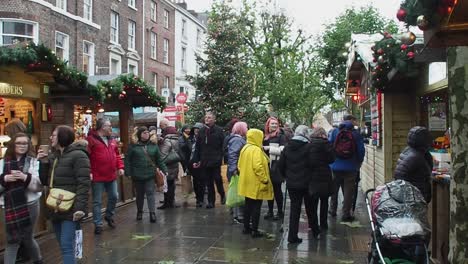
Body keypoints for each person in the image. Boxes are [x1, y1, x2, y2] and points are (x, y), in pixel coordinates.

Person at [38, 125, 90, 264]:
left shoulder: (79, 155)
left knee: (66, 245)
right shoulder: (54, 156)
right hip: (55, 206)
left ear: (62, 137)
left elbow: (84, 183)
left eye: (54, 135)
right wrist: (43, 162)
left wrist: (79, 208)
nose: (50, 138)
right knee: (63, 245)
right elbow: (44, 181)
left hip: (71, 208)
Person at [0, 133, 43, 264]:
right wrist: (4, 179)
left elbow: (39, 187)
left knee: (27, 237)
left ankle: (38, 260)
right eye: (19, 143)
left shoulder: (33, 162)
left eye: (25, 143)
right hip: (7, 206)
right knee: (12, 240)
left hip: (30, 204)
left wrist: (25, 178)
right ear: (13, 144)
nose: (22, 146)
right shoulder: (2, 163)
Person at [87, 118, 124, 234]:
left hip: (111, 175)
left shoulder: (112, 140)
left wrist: (120, 167)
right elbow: (86, 157)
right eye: (109, 126)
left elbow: (117, 155)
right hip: (97, 176)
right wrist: (89, 171)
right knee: (97, 201)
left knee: (114, 196)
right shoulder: (90, 140)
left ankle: (109, 215)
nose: (111, 128)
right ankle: (98, 224)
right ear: (102, 127)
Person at [277, 125, 313, 243]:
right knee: (310, 207)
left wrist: (286, 176)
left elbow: (280, 165)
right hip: (307, 182)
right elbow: (313, 164)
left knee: (295, 209)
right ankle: (315, 230)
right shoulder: (309, 147)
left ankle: (292, 236)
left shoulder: (287, 147)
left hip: (292, 183)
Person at [125, 126, 167, 222]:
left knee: (150, 193)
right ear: (140, 135)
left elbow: (159, 160)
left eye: (147, 132)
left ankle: (152, 213)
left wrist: (164, 169)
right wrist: (128, 172)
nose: (146, 134)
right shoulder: (133, 146)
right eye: (144, 133)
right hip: (137, 175)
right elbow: (127, 160)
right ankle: (140, 211)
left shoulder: (153, 145)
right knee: (139, 195)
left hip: (150, 174)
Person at [328, 114, 365, 222]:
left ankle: (332, 210)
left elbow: (329, 147)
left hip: (335, 166)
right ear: (351, 121)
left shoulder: (334, 132)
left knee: (334, 189)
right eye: (354, 120)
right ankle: (346, 213)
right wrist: (359, 162)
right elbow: (361, 150)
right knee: (349, 191)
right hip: (351, 167)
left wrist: (330, 162)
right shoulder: (356, 134)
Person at [238, 129, 273, 238]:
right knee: (256, 207)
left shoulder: (245, 148)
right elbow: (258, 167)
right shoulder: (256, 150)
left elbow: (239, 165)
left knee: (248, 206)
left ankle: (246, 227)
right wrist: (264, 179)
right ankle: (255, 230)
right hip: (256, 183)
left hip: (246, 183)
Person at [192, 112, 226, 208]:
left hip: (215, 160)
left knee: (217, 178)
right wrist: (196, 160)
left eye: (209, 117)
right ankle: (211, 202)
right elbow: (198, 147)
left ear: (214, 120)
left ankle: (222, 193)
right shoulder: (202, 131)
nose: (207, 119)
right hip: (205, 160)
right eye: (206, 117)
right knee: (209, 181)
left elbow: (223, 145)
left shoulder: (219, 130)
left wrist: (221, 156)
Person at [308, 127, 335, 236]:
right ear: (323, 134)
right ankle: (323, 223)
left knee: (313, 202)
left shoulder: (309, 145)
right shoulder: (327, 144)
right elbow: (332, 159)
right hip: (325, 175)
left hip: (313, 175)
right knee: (324, 200)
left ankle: (314, 225)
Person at [394, 126, 433, 203]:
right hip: (414, 198)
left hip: (414, 196)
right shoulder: (415, 156)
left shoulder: (410, 151)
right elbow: (399, 175)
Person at [263, 117, 287, 220]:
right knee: (269, 190)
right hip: (267, 166)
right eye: (272, 124)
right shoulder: (265, 137)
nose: (274, 125)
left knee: (277, 190)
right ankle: (270, 211)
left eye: (276, 124)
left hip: (277, 166)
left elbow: (283, 150)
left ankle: (280, 212)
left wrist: (269, 148)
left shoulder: (281, 136)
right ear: (268, 125)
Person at [226, 121, 248, 224]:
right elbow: (233, 155)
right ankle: (239, 216)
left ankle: (237, 215)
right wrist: (234, 169)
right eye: (246, 127)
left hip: (234, 169)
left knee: (236, 192)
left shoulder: (235, 139)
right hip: (236, 171)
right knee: (238, 193)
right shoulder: (238, 140)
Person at [158, 126, 180, 209]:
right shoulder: (177, 140)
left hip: (167, 166)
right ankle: (171, 202)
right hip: (175, 165)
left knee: (166, 185)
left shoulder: (167, 141)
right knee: (171, 184)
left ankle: (167, 203)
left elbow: (163, 155)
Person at [189, 123, 204, 207]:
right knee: (195, 181)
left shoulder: (204, 139)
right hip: (191, 163)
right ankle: (198, 198)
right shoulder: (190, 139)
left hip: (201, 163)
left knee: (201, 182)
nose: (196, 130)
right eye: (195, 128)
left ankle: (200, 199)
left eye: (198, 129)